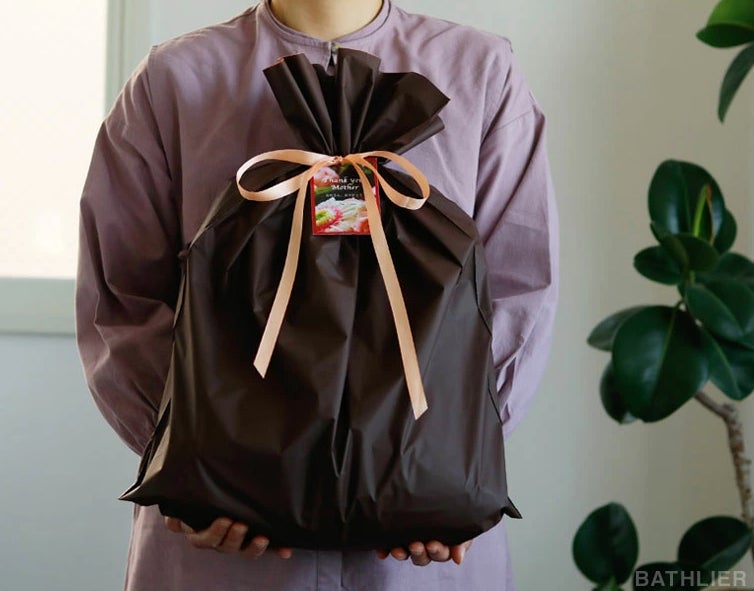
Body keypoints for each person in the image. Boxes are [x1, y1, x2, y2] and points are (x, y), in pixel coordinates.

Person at [76, 0, 559, 589]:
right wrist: (194, 458)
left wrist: (451, 453)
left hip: (415, 561)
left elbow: (517, 290)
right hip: (222, 554)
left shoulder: (480, 71)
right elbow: (123, 300)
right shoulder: (175, 80)